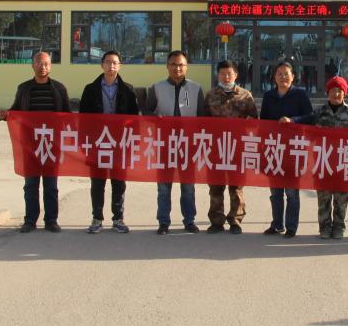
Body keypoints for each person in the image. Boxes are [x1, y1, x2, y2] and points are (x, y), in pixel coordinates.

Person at [0, 52, 70, 233]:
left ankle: (51, 220)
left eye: (46, 64)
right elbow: (16, 111)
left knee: (51, 186)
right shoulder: (24, 88)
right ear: (32, 65)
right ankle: (30, 221)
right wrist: (6, 115)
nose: (42, 67)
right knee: (30, 185)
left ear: (51, 66)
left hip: (52, 145)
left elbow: (68, 115)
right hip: (30, 145)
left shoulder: (59, 89)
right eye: (38, 63)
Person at [283, 75, 348, 239]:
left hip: (344, 162)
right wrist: (291, 121)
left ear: (344, 93)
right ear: (327, 92)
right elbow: (305, 120)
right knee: (323, 197)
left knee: (341, 198)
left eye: (339, 91)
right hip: (323, 161)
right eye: (333, 90)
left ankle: (339, 227)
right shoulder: (319, 112)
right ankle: (324, 227)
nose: (336, 94)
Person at [144, 49, 206, 235]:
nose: (177, 68)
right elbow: (146, 112)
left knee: (188, 187)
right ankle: (163, 222)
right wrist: (155, 118)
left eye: (181, 65)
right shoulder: (156, 88)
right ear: (167, 66)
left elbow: (202, 118)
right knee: (164, 187)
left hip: (188, 145)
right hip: (164, 144)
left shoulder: (196, 89)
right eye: (173, 64)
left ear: (186, 67)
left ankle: (189, 221)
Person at [79, 50, 140, 235]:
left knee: (119, 182)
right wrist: (84, 143)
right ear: (102, 65)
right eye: (107, 62)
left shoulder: (128, 90)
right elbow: (83, 119)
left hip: (120, 144)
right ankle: (97, 218)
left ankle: (118, 219)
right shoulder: (90, 89)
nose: (111, 65)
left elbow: (134, 120)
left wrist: (133, 142)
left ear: (120, 66)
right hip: (98, 143)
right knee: (97, 182)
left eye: (114, 62)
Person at [203, 59, 258, 234]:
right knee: (215, 186)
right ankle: (216, 221)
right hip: (216, 148)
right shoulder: (210, 95)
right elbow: (202, 121)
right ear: (218, 75)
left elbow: (255, 120)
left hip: (237, 148)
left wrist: (247, 124)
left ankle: (235, 220)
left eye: (229, 73)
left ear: (236, 75)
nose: (226, 77)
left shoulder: (245, 95)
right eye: (222, 73)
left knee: (237, 186)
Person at [259, 60, 312, 238]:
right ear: (274, 77)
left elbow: (311, 117)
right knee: (275, 192)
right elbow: (263, 122)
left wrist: (293, 120)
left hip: (293, 149)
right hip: (273, 148)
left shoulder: (300, 95)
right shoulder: (268, 96)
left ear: (293, 77)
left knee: (291, 192)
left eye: (286, 74)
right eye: (279, 74)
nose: (283, 77)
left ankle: (291, 226)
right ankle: (276, 224)